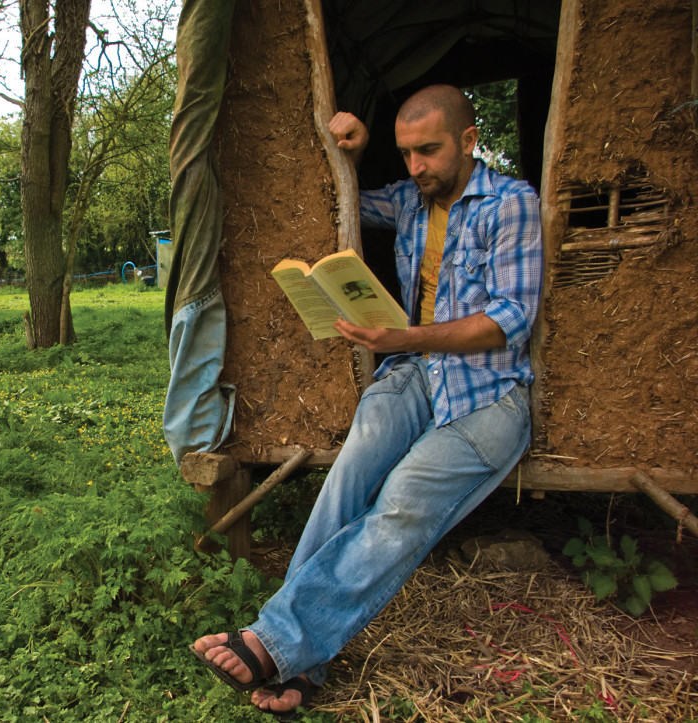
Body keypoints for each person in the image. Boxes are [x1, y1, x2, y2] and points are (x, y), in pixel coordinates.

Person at [191, 84, 543, 720]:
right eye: (406, 154)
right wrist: (347, 145)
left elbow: (510, 319)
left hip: (487, 394)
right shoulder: (413, 197)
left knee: (403, 500)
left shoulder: (512, 203)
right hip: (414, 374)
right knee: (350, 474)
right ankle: (303, 657)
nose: (415, 168)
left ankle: (274, 643)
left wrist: (399, 337)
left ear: (469, 141)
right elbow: (335, 195)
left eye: (429, 152)